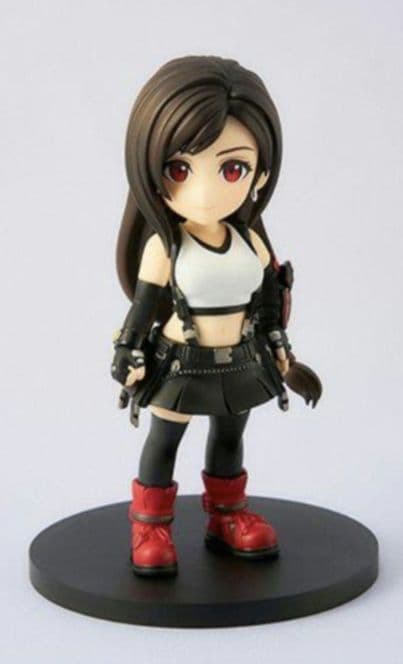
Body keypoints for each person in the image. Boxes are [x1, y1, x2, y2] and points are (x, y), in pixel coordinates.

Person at [111, 55, 322, 577]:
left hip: (242, 358)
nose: (205, 193)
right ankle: (150, 525)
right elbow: (142, 310)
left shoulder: (252, 242)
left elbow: (268, 308)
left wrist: (282, 352)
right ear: (151, 169)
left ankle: (227, 516)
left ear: (259, 173)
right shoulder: (166, 247)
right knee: (165, 439)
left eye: (232, 169)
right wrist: (127, 354)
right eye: (180, 169)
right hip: (181, 361)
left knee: (230, 437)